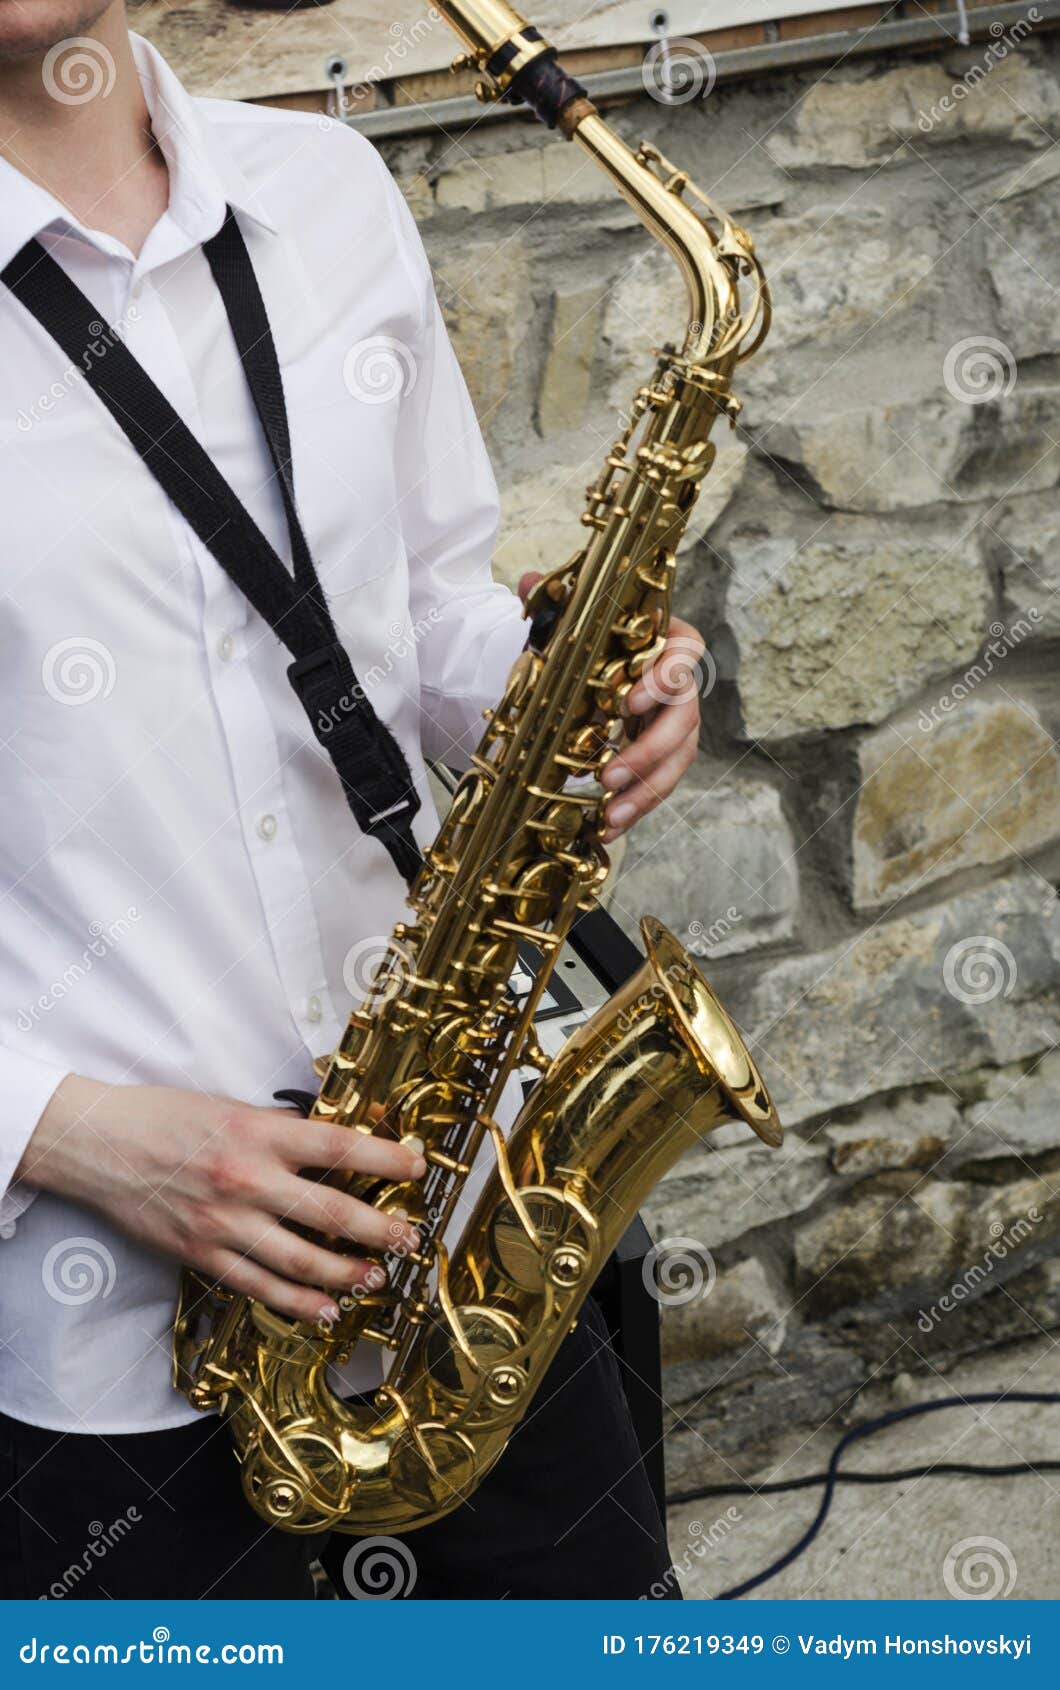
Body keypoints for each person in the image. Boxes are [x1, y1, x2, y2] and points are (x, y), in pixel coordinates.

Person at [0, 0, 704, 1601]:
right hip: (103, 1340)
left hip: (462, 1229)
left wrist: (593, 688)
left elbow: (427, 614)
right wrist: (81, 1135)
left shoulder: (322, 190)